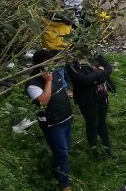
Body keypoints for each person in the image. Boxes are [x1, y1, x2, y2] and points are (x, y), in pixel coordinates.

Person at [26, 50, 73, 191]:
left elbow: (61, 88)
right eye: (48, 63)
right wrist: (48, 81)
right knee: (61, 152)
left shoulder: (54, 73)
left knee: (67, 147)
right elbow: (43, 101)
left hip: (65, 117)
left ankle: (62, 170)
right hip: (52, 124)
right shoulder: (32, 84)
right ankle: (64, 183)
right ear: (39, 65)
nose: (51, 66)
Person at [66, 51, 115, 157]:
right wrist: (100, 72)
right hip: (86, 99)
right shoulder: (72, 64)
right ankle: (94, 149)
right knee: (92, 123)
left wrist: (96, 78)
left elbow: (108, 68)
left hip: (101, 95)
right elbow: (84, 80)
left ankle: (107, 146)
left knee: (102, 122)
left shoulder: (94, 55)